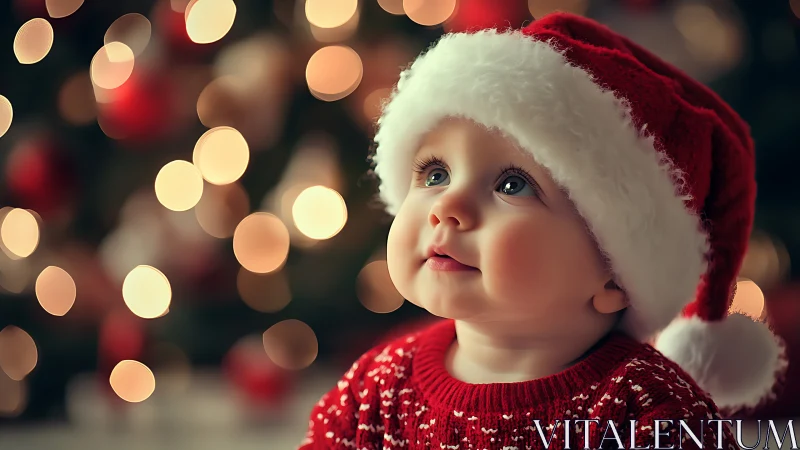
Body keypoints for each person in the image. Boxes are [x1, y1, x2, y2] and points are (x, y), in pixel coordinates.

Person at [298, 12, 788, 450]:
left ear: (617, 274)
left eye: (513, 184)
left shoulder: (647, 409)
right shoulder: (378, 387)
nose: (446, 206)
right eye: (434, 174)